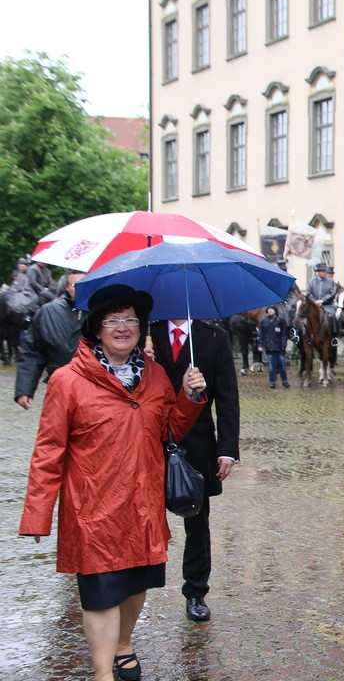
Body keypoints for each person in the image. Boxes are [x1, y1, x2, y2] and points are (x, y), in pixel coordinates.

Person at [20, 284, 206, 681]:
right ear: (96, 329)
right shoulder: (67, 381)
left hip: (142, 502)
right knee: (101, 593)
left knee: (137, 584)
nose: (123, 327)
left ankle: (124, 643)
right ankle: (103, 674)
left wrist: (189, 398)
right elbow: (49, 450)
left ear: (141, 328)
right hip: (94, 508)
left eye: (131, 320)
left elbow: (169, 431)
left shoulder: (155, 376)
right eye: (113, 320)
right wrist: (38, 513)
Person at [148, 317, 240, 623]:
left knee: (197, 522)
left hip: (198, 444)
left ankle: (196, 591)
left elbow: (227, 397)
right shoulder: (145, 334)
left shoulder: (214, 337)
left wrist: (227, 449)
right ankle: (136, 588)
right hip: (150, 440)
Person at [15, 269, 86, 409]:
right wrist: (25, 389)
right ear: (66, 286)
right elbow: (33, 351)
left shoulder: (103, 311)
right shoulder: (47, 312)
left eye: (85, 284)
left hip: (95, 387)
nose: (80, 290)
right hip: (59, 385)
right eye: (75, 285)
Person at [256, 305, 290, 389]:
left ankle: (284, 381)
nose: (271, 311)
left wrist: (283, 344)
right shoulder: (264, 321)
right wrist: (260, 345)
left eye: (272, 310)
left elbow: (284, 334)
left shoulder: (280, 320)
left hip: (279, 347)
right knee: (271, 366)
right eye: (269, 310)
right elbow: (261, 334)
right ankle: (272, 382)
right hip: (269, 347)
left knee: (282, 365)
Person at [307, 262, 341, 338]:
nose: (325, 272)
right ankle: (299, 336)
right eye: (323, 271)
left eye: (325, 271)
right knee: (303, 315)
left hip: (327, 305)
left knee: (332, 316)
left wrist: (322, 301)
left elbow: (332, 293)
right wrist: (314, 301)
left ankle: (334, 336)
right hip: (314, 305)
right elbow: (308, 293)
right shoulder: (311, 282)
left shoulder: (330, 281)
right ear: (318, 272)